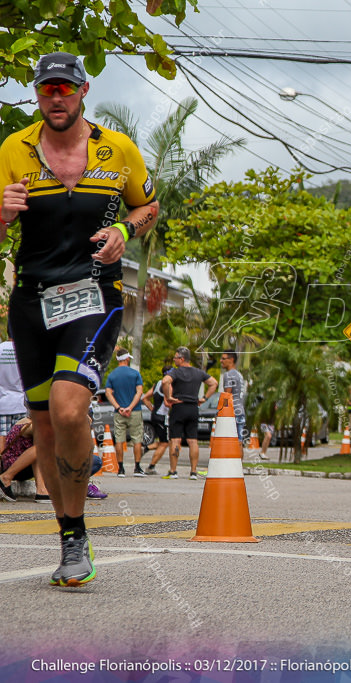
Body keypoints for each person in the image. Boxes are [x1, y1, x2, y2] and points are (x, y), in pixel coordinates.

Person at [0, 52, 159, 586]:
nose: (57, 99)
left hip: (94, 295)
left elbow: (147, 207)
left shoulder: (118, 150)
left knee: (69, 410)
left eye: (65, 89)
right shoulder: (13, 151)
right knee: (44, 420)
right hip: (32, 300)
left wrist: (126, 233)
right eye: (47, 90)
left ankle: (78, 526)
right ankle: (71, 536)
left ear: (84, 90)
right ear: (37, 94)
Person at [0, 418, 107, 504]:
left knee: (94, 461)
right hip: (16, 467)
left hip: (41, 466)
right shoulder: (30, 424)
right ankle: (7, 478)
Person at [161, 347, 217, 480]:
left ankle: (173, 471)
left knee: (175, 439)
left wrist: (168, 396)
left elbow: (165, 381)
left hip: (179, 406)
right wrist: (204, 398)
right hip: (193, 407)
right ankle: (193, 471)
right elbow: (214, 383)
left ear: (181, 358)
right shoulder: (198, 372)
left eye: (175, 358)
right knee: (193, 440)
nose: (174, 360)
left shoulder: (176, 372)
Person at [104, 348, 145, 477]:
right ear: (127, 359)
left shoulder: (112, 375)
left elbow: (108, 393)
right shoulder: (135, 374)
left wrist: (119, 407)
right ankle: (137, 467)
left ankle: (120, 469)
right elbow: (139, 392)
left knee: (119, 440)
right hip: (135, 411)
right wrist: (130, 407)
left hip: (119, 412)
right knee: (137, 439)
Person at [141, 365, 171, 474]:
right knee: (164, 443)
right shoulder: (167, 385)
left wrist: (152, 409)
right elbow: (168, 402)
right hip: (162, 417)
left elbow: (145, 398)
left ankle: (146, 448)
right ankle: (151, 467)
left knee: (165, 442)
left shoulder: (157, 383)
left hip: (155, 415)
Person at [0, 337, 27, 454]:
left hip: (2, 404)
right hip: (21, 404)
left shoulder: (0, 348)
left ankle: (3, 469)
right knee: (19, 444)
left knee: (2, 441)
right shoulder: (25, 350)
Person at [219, 351, 248, 445]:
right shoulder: (239, 375)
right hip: (240, 410)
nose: (221, 361)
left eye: (223, 358)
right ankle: (240, 460)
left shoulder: (228, 375)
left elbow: (227, 395)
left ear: (231, 360)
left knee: (230, 443)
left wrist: (222, 412)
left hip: (232, 412)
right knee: (239, 441)